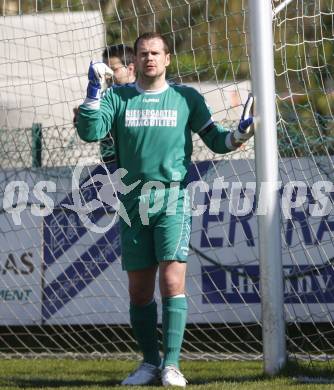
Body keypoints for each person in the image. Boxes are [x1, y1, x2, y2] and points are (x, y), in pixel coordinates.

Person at [76, 32, 254, 387]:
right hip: (133, 203)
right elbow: (90, 130)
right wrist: (94, 93)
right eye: (143, 54)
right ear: (134, 61)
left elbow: (216, 141)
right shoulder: (118, 97)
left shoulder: (186, 98)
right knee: (139, 292)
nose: (149, 59)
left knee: (172, 281)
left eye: (155, 53)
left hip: (171, 198)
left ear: (168, 59)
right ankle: (149, 363)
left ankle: (172, 365)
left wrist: (239, 135)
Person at [74, 44, 136, 163]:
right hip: (110, 165)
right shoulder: (103, 97)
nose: (107, 75)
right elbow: (94, 130)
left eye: (113, 69)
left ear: (130, 69)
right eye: (104, 69)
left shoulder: (143, 94)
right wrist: (82, 118)